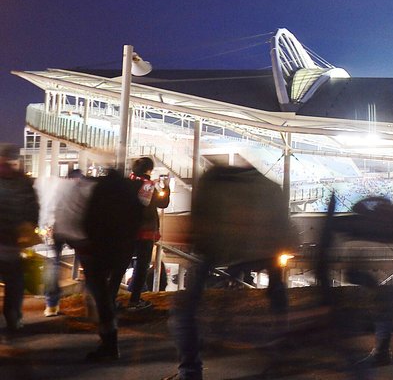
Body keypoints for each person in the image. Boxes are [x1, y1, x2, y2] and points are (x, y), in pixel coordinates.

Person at [166, 164, 295, 380]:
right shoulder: (270, 187)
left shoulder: (211, 182)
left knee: (186, 309)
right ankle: (280, 352)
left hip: (221, 250)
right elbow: (283, 226)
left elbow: (199, 224)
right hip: (264, 251)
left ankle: (190, 370)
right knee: (276, 295)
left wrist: (204, 245)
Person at [77, 168, 144, 361]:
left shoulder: (100, 190)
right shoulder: (129, 191)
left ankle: (109, 340)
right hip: (122, 249)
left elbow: (88, 218)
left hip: (99, 248)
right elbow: (138, 217)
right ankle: (109, 338)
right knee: (107, 290)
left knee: (100, 293)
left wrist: (89, 239)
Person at [0, 144, 40, 335]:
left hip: (9, 242)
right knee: (14, 282)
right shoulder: (23, 182)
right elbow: (33, 211)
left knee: (15, 281)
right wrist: (28, 229)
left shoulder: (23, 182)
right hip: (12, 242)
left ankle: (13, 316)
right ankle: (13, 318)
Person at [43, 169, 93, 317]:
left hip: (59, 229)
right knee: (89, 266)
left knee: (55, 264)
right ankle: (88, 300)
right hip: (79, 232)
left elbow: (49, 209)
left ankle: (51, 305)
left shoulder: (58, 188)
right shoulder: (86, 189)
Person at [124, 157, 170, 311]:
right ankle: (134, 300)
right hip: (145, 232)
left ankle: (110, 299)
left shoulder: (128, 183)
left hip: (127, 231)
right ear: (149, 170)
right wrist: (166, 187)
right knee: (142, 266)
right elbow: (163, 203)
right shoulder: (148, 186)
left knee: (121, 264)